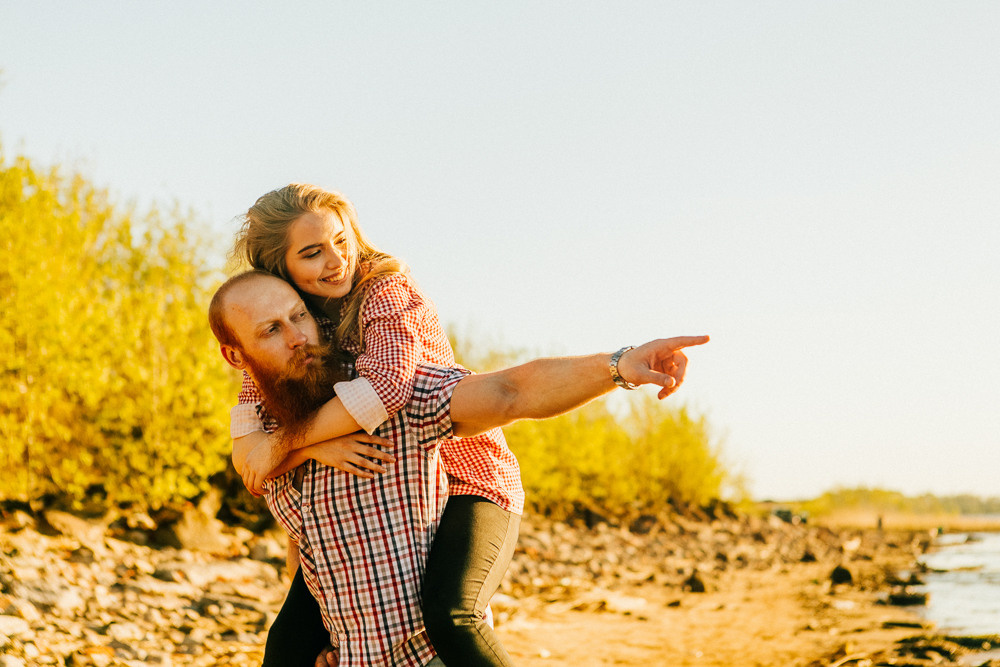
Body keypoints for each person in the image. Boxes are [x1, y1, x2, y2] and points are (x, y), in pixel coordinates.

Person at [209, 270, 707, 666]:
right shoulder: (265, 436)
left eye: (300, 315)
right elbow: (305, 542)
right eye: (272, 330)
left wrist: (617, 366)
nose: (298, 337)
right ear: (237, 356)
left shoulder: (387, 399)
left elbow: (511, 391)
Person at [228, 184, 525, 666]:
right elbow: (249, 454)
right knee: (288, 648)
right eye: (312, 253)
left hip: (464, 478)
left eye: (341, 241)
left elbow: (386, 390)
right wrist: (306, 450)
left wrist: (286, 443)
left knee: (451, 616)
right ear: (278, 267)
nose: (336, 261)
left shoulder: (386, 292)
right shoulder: (278, 327)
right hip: (380, 503)